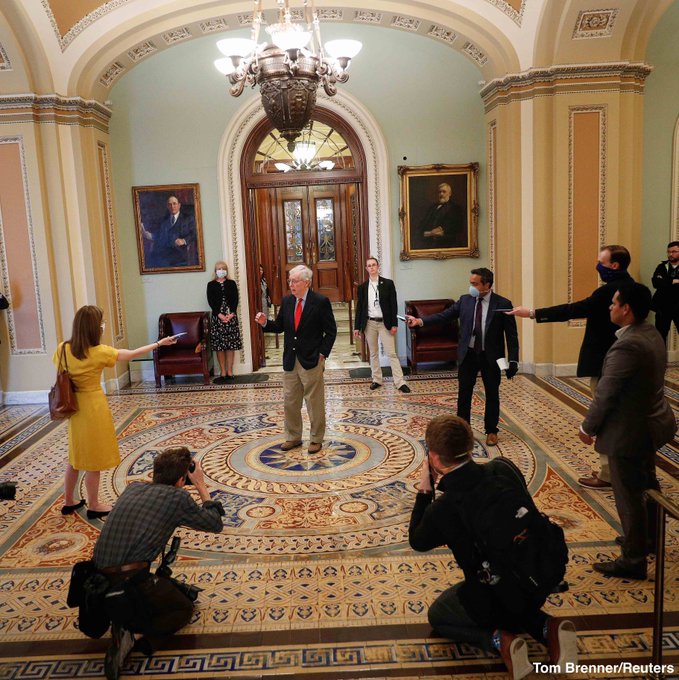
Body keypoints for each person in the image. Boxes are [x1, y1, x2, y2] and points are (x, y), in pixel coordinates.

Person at [409, 415, 576, 680]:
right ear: (470, 446)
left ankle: (501, 641)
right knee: (509, 585)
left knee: (439, 614)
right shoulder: (502, 469)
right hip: (537, 578)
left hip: (490, 596)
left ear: (435, 459)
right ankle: (548, 627)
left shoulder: (445, 507)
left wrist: (424, 488)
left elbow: (417, 541)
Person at [507, 244, 633, 490]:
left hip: (605, 364)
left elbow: (572, 310)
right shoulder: (635, 287)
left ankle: (608, 474)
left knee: (605, 418)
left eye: (601, 262)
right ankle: (624, 470)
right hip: (625, 364)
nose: (598, 266)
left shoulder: (608, 292)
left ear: (614, 265)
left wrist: (531, 313)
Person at [93, 447, 224, 679]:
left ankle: (127, 618)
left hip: (96, 579)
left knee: (167, 587)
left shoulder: (133, 488)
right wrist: (202, 485)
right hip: (129, 579)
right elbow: (214, 523)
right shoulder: (179, 497)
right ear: (183, 478)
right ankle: (134, 637)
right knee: (183, 607)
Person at [579, 282, 676, 579]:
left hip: (629, 431)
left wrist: (587, 426)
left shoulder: (628, 344)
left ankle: (633, 559)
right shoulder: (650, 332)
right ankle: (647, 540)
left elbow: (606, 393)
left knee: (629, 495)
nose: (610, 307)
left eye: (614, 303)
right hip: (651, 423)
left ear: (626, 309)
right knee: (647, 482)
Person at [55, 306, 177, 519]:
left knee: (75, 456)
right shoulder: (99, 352)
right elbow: (130, 354)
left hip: (74, 408)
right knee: (93, 460)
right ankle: (94, 504)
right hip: (93, 407)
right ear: (95, 328)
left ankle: (68, 501)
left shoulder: (63, 348)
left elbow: (61, 373)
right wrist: (159, 343)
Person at [406, 268, 518, 446]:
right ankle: (463, 430)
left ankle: (491, 430)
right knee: (464, 393)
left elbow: (511, 336)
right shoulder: (465, 301)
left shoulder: (502, 303)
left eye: (475, 284)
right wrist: (420, 321)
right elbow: (444, 316)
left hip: (491, 356)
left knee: (492, 394)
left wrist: (513, 360)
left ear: (486, 285)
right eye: (470, 283)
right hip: (468, 354)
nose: (471, 287)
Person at [255, 264, 337, 453]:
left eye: (295, 281)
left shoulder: (320, 301)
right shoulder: (288, 301)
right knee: (290, 401)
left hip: (312, 359)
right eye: (290, 281)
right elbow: (280, 326)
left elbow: (331, 331)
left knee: (314, 402)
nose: (291, 284)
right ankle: (293, 437)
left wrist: (322, 353)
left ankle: (316, 438)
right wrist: (265, 323)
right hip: (291, 359)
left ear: (306, 283)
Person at [354, 256, 410, 393]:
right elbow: (360, 308)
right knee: (373, 353)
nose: (372, 267)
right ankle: (377, 379)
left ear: (378, 267)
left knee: (391, 353)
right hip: (369, 323)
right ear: (366, 269)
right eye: (369, 265)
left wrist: (394, 324)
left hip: (385, 323)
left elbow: (393, 305)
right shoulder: (362, 287)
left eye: (374, 265)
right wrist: (357, 327)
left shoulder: (388, 284)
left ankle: (400, 382)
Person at [206, 260, 242, 383]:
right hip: (218, 318)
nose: (221, 270)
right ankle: (223, 371)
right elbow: (211, 302)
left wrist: (231, 314)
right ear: (215, 271)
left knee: (230, 345)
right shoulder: (211, 285)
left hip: (231, 317)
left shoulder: (231, 283)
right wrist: (220, 315)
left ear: (226, 270)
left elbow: (235, 299)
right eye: (219, 268)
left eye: (223, 268)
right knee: (220, 346)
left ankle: (230, 370)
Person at [142, 195, 197, 267]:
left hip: (180, 254)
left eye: (174, 204)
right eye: (170, 204)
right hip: (164, 254)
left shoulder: (188, 219)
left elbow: (195, 233)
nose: (172, 206)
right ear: (167, 206)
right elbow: (159, 235)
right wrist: (148, 235)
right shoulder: (164, 220)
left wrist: (184, 240)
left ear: (179, 205)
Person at [411, 182, 466, 250]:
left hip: (446, 243)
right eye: (439, 192)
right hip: (428, 241)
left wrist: (440, 229)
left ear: (450, 194)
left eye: (444, 192)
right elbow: (423, 223)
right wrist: (425, 233)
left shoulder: (455, 208)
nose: (441, 194)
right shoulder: (432, 207)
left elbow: (455, 228)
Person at [651, 241, 679, 344]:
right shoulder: (662, 267)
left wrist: (665, 282)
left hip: (678, 305)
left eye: (674, 251)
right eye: (669, 252)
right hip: (663, 306)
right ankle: (660, 359)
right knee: (660, 336)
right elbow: (656, 282)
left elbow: (662, 283)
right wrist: (674, 281)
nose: (671, 254)